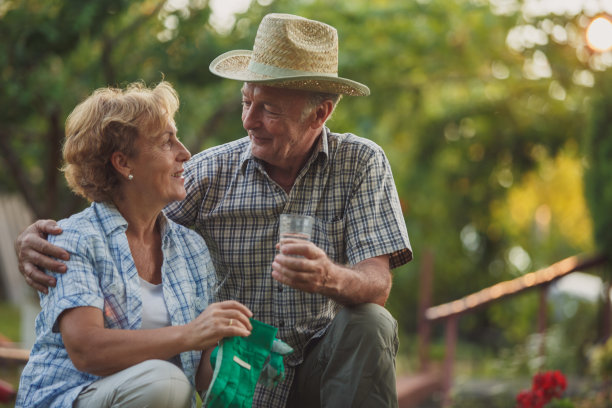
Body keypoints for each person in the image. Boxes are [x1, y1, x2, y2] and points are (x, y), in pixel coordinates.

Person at [15, 13, 412, 407]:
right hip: (242, 381)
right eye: (246, 101)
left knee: (370, 322)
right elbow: (121, 207)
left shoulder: (359, 163)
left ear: (320, 113)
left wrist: (329, 276)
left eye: (269, 110)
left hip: (325, 373)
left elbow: (377, 282)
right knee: (165, 383)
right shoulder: (205, 175)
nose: (249, 121)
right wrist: (36, 237)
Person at [15, 81, 253, 408]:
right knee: (165, 382)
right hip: (69, 397)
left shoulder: (191, 249)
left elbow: (201, 374)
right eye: (167, 142)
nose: (185, 153)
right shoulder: (75, 239)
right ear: (124, 163)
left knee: (171, 384)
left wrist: (241, 364)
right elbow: (87, 350)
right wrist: (190, 334)